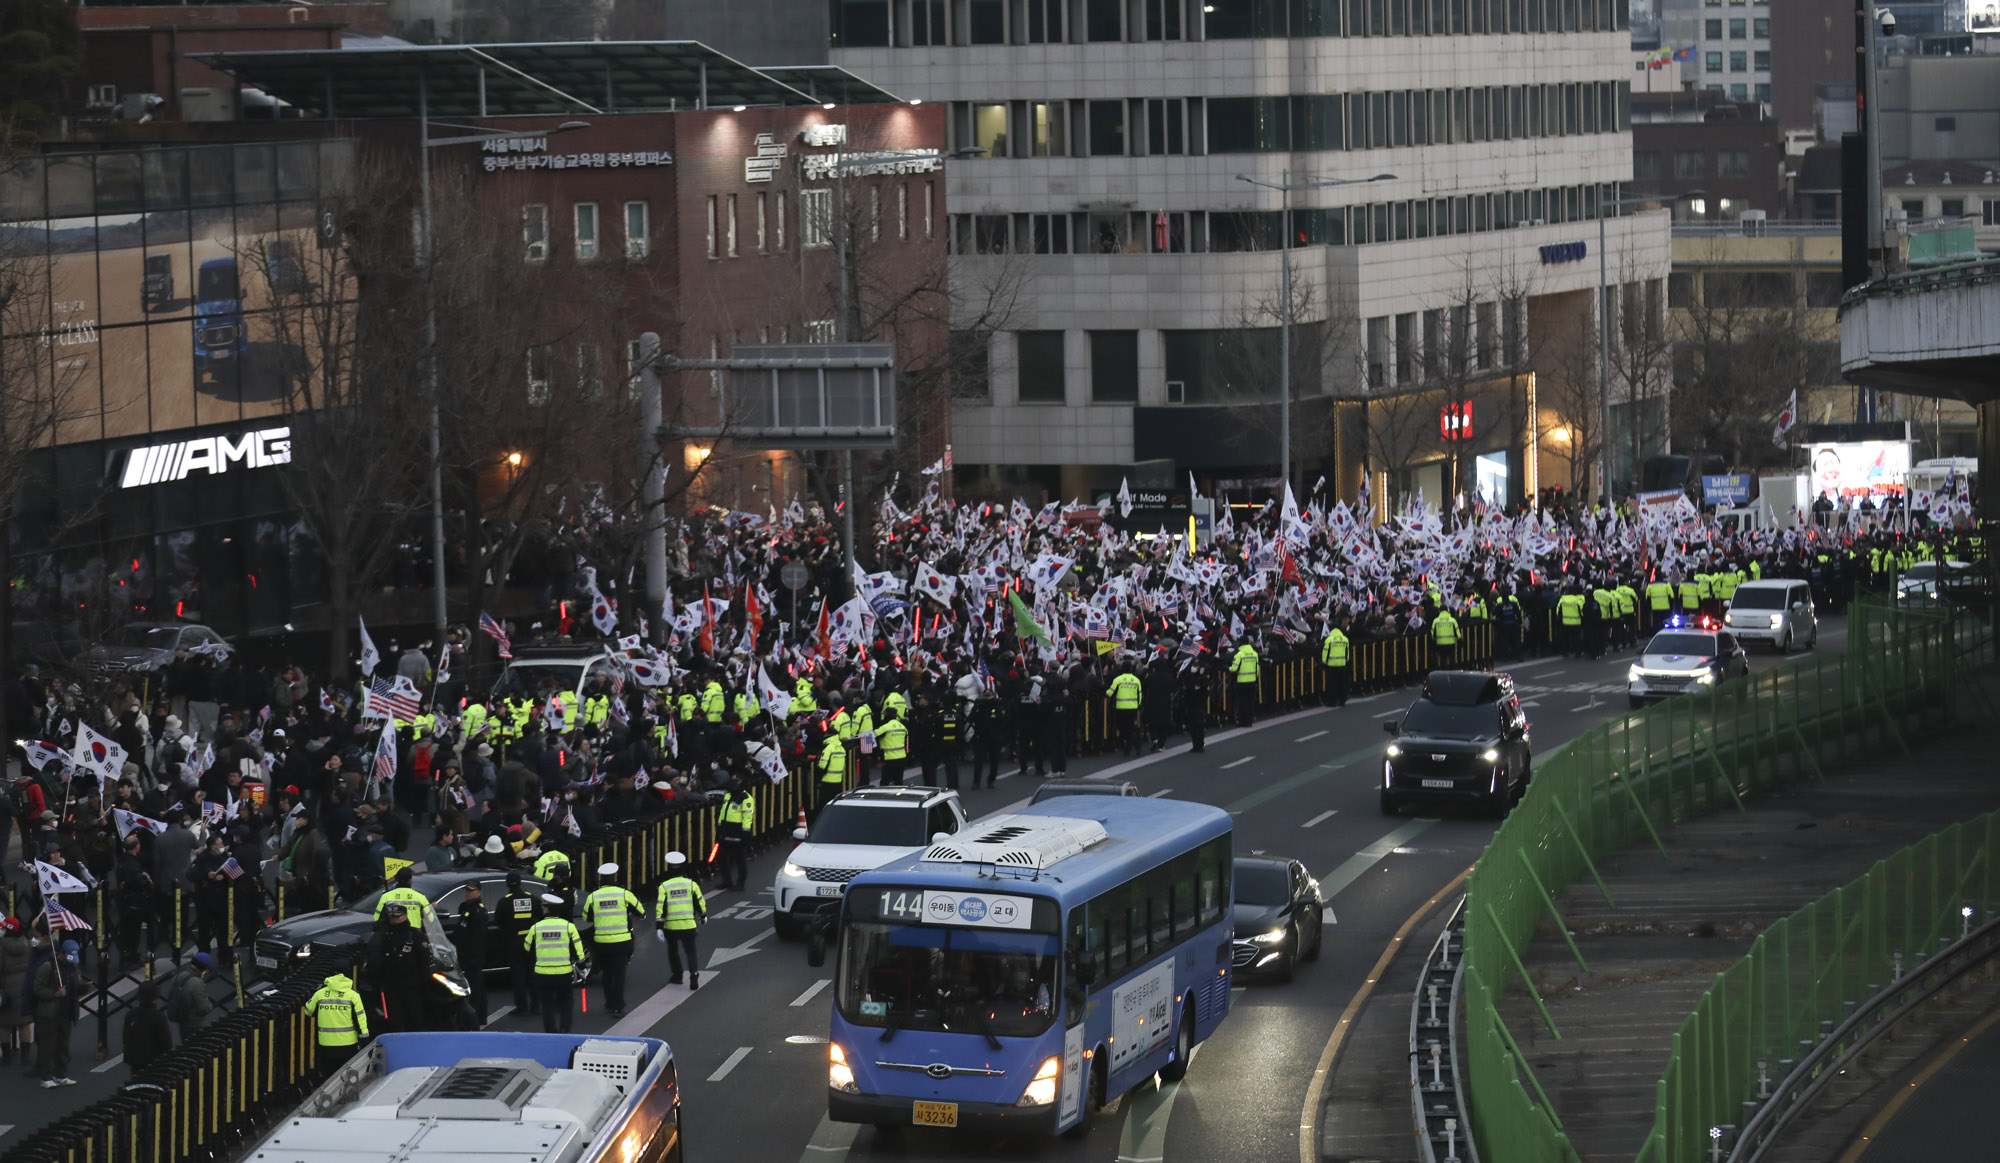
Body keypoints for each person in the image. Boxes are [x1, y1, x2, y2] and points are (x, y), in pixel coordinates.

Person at [581, 863, 642, 1017]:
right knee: (619, 975)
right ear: (615, 877)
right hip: (622, 942)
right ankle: (617, 1006)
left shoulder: (593, 896)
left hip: (601, 943)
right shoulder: (624, 894)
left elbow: (586, 917)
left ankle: (609, 1003)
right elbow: (640, 911)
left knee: (607, 974)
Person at [367, 903, 431, 1032]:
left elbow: (424, 961)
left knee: (415, 1018)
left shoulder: (415, 935)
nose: (395, 919)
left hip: (411, 985)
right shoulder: (385, 935)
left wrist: (425, 982)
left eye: (398, 916)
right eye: (393, 917)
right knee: (395, 1020)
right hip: (391, 985)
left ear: (405, 916)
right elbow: (376, 955)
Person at [526, 894, 585, 1032]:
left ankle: (550, 1031)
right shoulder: (568, 926)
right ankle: (565, 1028)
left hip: (542, 973)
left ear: (547, 909)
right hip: (563, 973)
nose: (542, 908)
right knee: (566, 1001)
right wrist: (581, 962)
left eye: (543, 906)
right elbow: (578, 947)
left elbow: (526, 947)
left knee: (547, 1004)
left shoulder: (536, 927)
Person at [305, 958, 370, 1073]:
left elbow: (308, 1012)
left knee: (329, 1078)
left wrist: (313, 994)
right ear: (347, 972)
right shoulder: (353, 995)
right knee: (347, 1076)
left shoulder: (320, 994)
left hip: (326, 1045)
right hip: (348, 1045)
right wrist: (365, 1040)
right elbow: (361, 1020)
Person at [654, 851, 706, 989]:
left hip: (671, 927)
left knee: (673, 951)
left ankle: (677, 975)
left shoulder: (664, 886)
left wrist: (659, 926)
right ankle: (694, 974)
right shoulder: (691, 884)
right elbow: (699, 902)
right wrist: (703, 916)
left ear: (669, 868)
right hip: (689, 924)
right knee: (691, 951)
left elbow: (661, 908)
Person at [32, 940, 79, 1087]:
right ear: (61, 954)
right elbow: (37, 989)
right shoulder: (48, 967)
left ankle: (60, 1074)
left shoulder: (73, 967)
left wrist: (83, 987)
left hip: (66, 1013)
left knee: (63, 1046)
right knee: (48, 1046)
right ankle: (46, 1077)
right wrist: (55, 994)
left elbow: (76, 984)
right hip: (50, 1014)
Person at [497, 871, 540, 1017]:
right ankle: (536, 1006)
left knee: (518, 977)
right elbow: (540, 918)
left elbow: (499, 922)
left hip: (513, 943)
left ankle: (522, 1007)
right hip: (531, 943)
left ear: (507, 885)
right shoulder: (532, 898)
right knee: (533, 975)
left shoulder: (504, 901)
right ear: (521, 883)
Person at [450, 882, 490, 1024]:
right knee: (468, 987)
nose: (468, 893)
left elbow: (478, 937)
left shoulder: (478, 911)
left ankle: (478, 1017)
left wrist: (474, 956)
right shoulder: (465, 907)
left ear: (478, 892)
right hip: (463, 954)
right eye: (466, 890)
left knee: (476, 988)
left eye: (471, 891)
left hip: (473, 955)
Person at [122, 980, 174, 1079]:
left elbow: (126, 1038)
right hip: (154, 1060)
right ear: (155, 998)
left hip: (135, 1059)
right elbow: (166, 1043)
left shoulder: (130, 1015)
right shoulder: (158, 1017)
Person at [165, 952, 216, 1044]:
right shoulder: (197, 983)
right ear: (205, 968)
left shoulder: (179, 976)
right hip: (195, 1024)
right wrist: (210, 1005)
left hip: (182, 1020)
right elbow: (203, 1008)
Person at [717, 784, 752, 891]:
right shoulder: (728, 795)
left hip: (738, 833)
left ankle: (740, 883)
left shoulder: (746, 798)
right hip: (725, 831)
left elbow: (747, 817)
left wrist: (745, 833)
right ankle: (727, 881)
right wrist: (719, 827)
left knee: (739, 859)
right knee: (721, 857)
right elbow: (723, 812)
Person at [1228, 639, 1260, 728]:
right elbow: (1257, 668)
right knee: (1250, 701)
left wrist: (1228, 668)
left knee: (1243, 702)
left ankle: (1243, 721)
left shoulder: (1239, 654)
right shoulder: (1255, 654)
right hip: (1252, 681)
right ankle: (1249, 721)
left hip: (1242, 682)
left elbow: (1234, 669)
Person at [1319, 620, 1351, 707]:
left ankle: (1332, 702)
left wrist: (1324, 663)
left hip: (1331, 665)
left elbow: (1325, 652)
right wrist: (1347, 661)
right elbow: (1347, 652)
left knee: (1332, 684)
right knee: (1342, 683)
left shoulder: (1329, 640)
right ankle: (1342, 700)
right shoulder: (1345, 639)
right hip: (1342, 664)